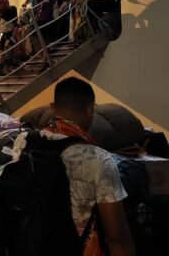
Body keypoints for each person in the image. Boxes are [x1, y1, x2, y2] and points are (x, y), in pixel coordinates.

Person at [43, 77, 135, 256]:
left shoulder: (24, 145)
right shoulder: (98, 159)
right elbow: (117, 238)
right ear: (90, 109)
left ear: (52, 107)